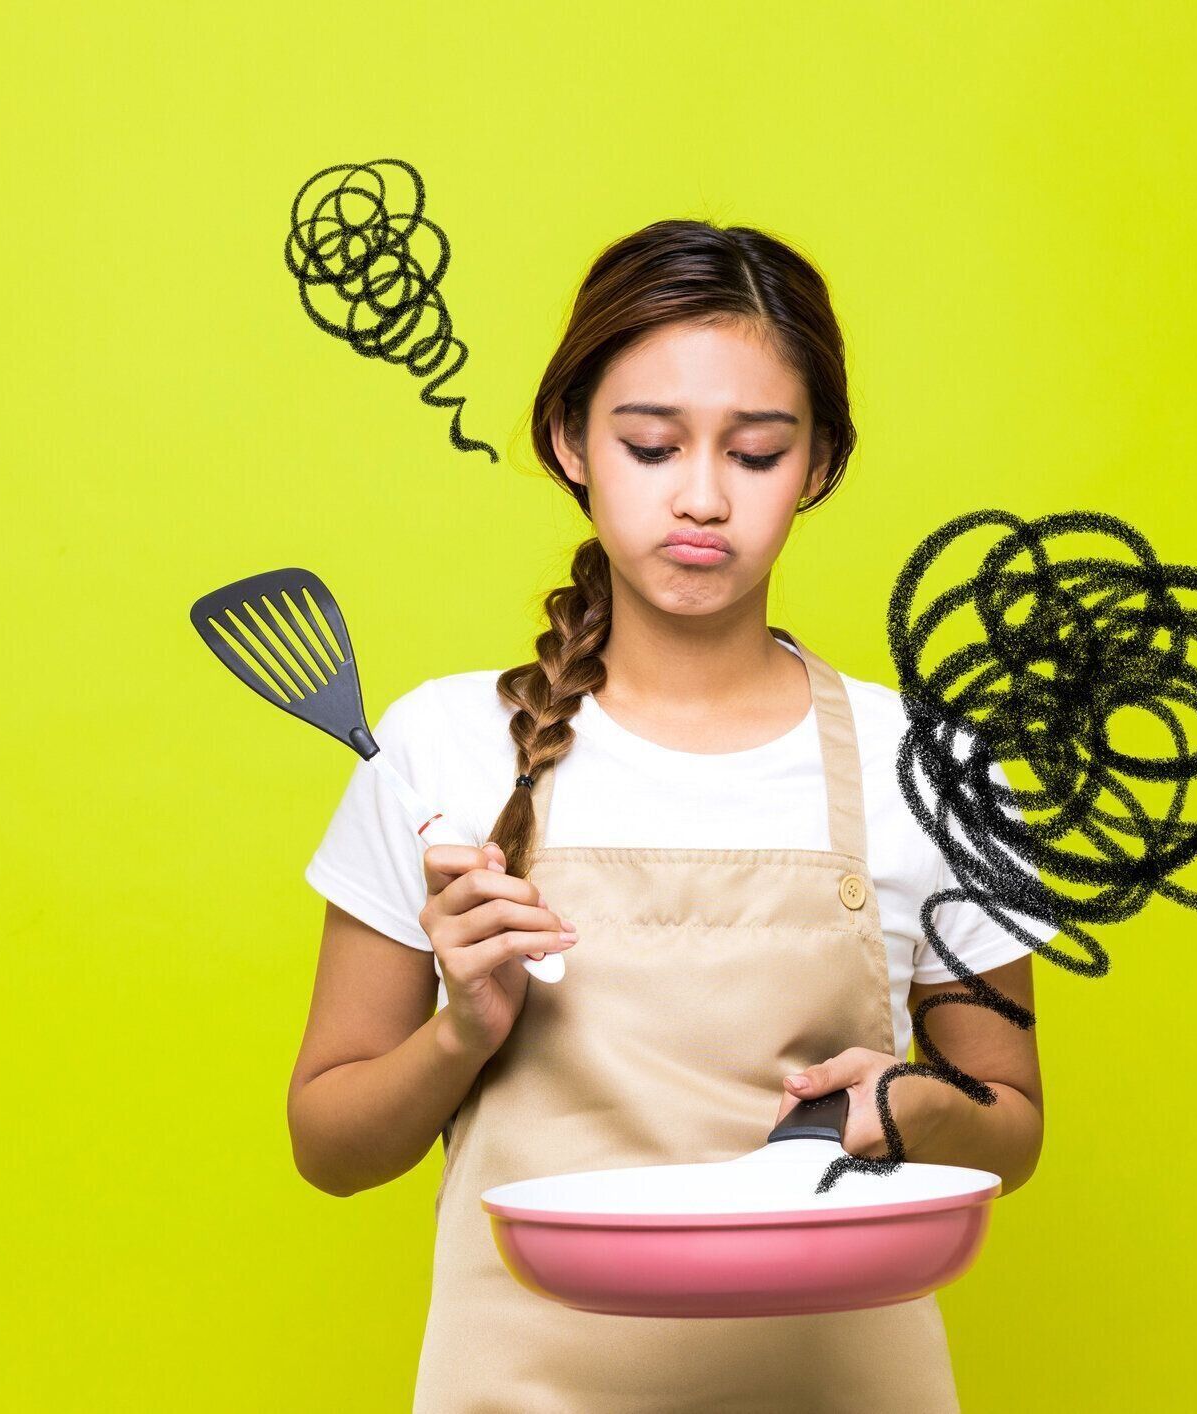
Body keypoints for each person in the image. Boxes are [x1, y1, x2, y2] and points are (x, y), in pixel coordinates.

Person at [287, 218, 1049, 1413]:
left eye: (755, 453)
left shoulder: (930, 762)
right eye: (650, 444)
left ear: (819, 466)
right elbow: (330, 1146)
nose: (701, 498)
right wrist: (462, 1031)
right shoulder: (437, 749)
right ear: (570, 441)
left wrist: (904, 1103)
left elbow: (1012, 1131)